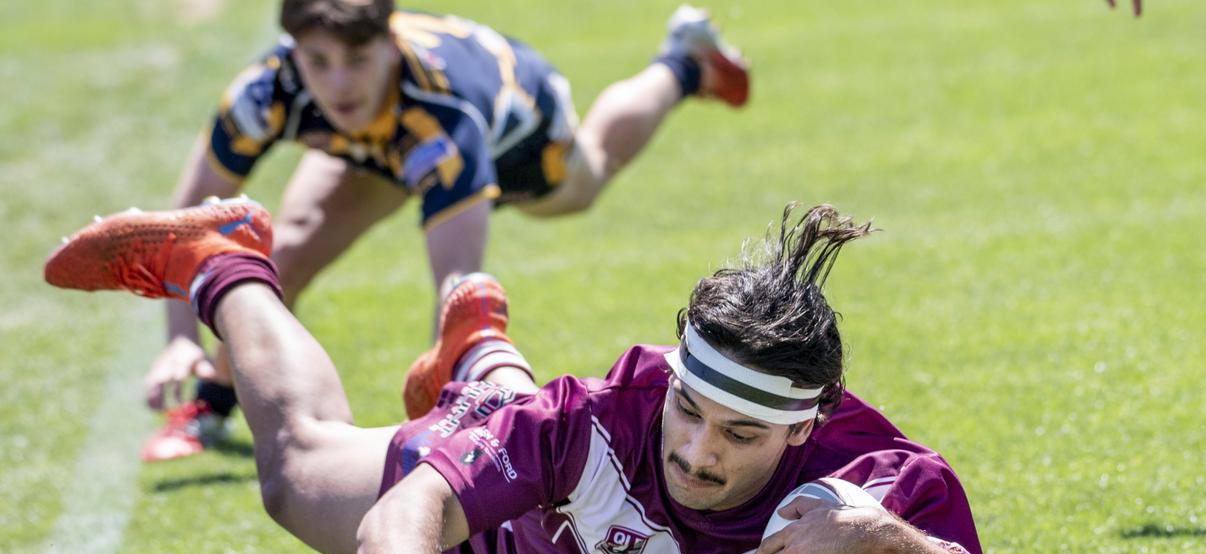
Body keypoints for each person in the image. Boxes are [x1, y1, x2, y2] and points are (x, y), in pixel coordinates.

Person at [44, 198, 1031, 554]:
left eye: (741, 434)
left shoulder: (875, 488)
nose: (696, 451)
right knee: (295, 467)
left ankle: (478, 349)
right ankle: (222, 261)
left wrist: (880, 543)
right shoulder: (596, 420)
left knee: (489, 428)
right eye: (689, 410)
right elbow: (407, 513)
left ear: (806, 431)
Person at [142, 0, 752, 462]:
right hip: (378, 138)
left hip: (519, 126)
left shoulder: (447, 120)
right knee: (288, 250)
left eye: (357, 60)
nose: (338, 84)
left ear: (390, 38)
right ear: (292, 51)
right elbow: (188, 216)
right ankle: (210, 403)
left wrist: (454, 427)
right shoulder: (267, 88)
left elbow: (458, 291)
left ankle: (683, 65)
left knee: (586, 181)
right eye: (318, 62)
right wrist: (178, 337)